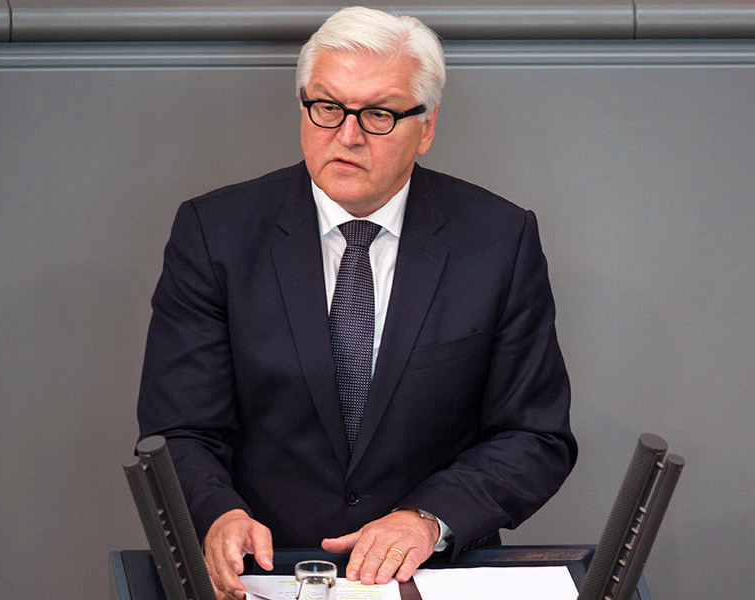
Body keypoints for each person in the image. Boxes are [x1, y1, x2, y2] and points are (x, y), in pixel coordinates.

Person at [137, 6, 577, 600]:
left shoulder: (498, 240)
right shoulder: (215, 233)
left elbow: (534, 435)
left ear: (426, 127)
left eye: (378, 114)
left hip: (428, 576)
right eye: (327, 107)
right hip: (262, 574)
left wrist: (429, 519)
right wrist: (217, 514)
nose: (347, 135)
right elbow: (181, 428)